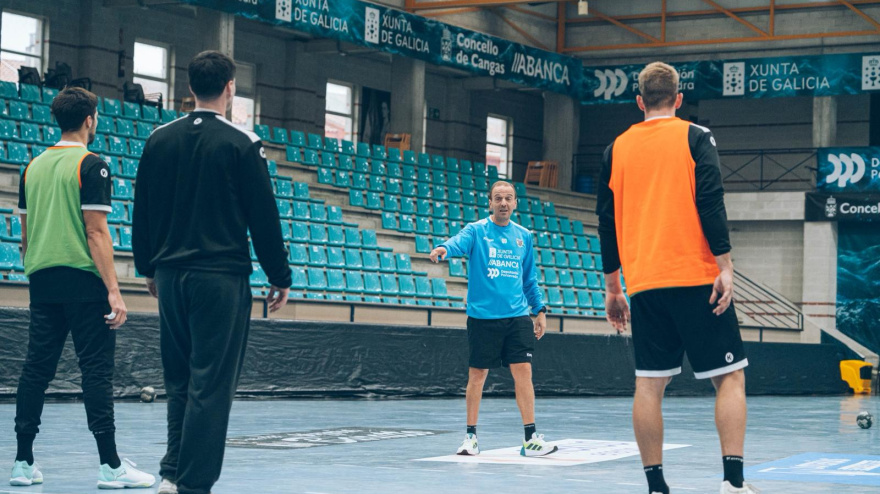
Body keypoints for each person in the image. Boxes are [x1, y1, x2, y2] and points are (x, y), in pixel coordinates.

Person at [132, 51, 292, 494]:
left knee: (179, 378)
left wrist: (148, 266)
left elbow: (142, 209)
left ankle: (171, 472)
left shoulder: (158, 139)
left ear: (189, 88)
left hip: (169, 275)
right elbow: (264, 216)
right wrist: (279, 274)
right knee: (211, 383)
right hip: (219, 278)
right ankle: (193, 484)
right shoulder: (243, 143)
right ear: (230, 88)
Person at [596, 62, 756, 494]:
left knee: (649, 384)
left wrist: (614, 287)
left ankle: (656, 487)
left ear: (640, 101)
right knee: (731, 378)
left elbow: (606, 224)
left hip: (645, 284)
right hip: (696, 276)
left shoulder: (615, 149)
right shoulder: (695, 137)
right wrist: (725, 265)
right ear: (679, 99)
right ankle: (733, 483)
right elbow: (711, 201)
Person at [11, 87, 155, 489]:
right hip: (83, 282)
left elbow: (24, 237)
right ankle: (111, 466)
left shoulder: (32, 168)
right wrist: (114, 290)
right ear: (90, 119)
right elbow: (96, 232)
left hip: (42, 283)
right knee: (95, 371)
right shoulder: (92, 165)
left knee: (35, 371)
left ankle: (22, 462)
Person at [430, 181, 556, 458]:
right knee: (477, 376)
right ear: (490, 203)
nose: (503, 203)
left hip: (517, 317)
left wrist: (540, 310)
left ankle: (531, 439)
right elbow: (457, 243)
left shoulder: (524, 236)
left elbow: (529, 279)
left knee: (524, 373)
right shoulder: (476, 231)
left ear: (514, 204)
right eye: (498, 198)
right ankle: (471, 438)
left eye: (508, 198)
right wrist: (443, 249)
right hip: (483, 318)